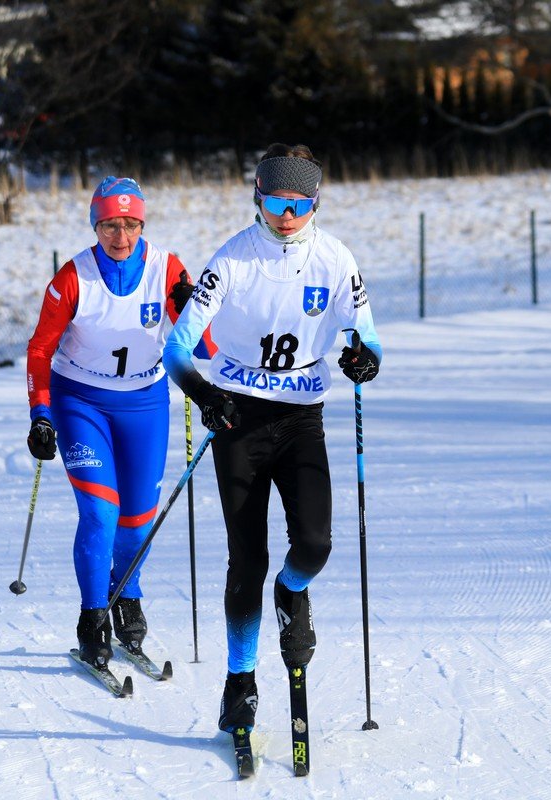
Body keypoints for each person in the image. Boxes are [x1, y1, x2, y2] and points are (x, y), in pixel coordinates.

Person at [162, 143, 382, 735]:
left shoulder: (335, 260)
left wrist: (364, 359)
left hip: (302, 417)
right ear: (257, 197)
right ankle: (240, 681)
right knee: (247, 558)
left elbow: (368, 338)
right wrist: (205, 396)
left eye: (300, 203)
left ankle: (292, 591)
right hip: (238, 417)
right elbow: (177, 348)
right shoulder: (233, 259)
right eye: (277, 201)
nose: (288, 215)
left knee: (314, 545)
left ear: (316, 203)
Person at [24, 176, 199, 671]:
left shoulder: (167, 269)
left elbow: (204, 347)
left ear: (142, 224)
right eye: (109, 227)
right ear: (94, 226)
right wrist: (41, 414)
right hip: (81, 401)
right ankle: (93, 616)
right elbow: (40, 349)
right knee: (101, 512)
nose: (121, 237)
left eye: (130, 225)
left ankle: (127, 595)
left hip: (144, 403)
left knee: (139, 519)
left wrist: (191, 308)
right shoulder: (72, 278)